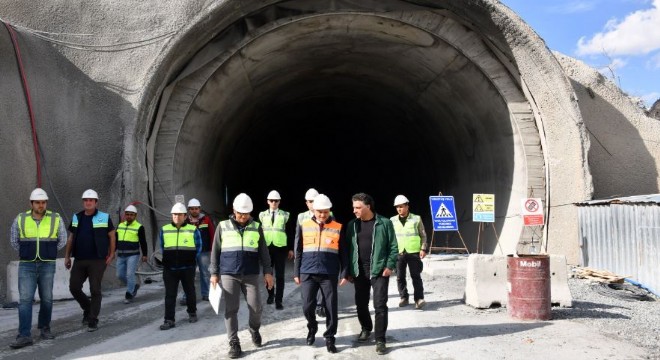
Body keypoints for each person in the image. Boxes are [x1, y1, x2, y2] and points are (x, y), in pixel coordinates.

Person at [210, 193, 274, 359]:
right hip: (229, 274)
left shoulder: (256, 226)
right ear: (234, 210)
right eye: (240, 213)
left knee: (256, 307)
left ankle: (254, 329)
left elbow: (264, 252)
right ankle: (234, 342)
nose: (243, 216)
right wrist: (214, 273)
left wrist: (268, 272)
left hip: (250, 274)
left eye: (246, 213)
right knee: (231, 309)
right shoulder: (222, 226)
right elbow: (215, 251)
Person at [9, 188, 67, 349]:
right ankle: (24, 335)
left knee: (47, 298)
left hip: (47, 264)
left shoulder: (55, 218)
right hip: (27, 264)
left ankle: (45, 328)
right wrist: (27, 252)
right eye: (37, 202)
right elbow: (14, 240)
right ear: (31, 203)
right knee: (25, 300)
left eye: (43, 202)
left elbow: (61, 239)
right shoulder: (20, 218)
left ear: (46, 203)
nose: (41, 205)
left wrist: (49, 251)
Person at [293, 194, 349, 354]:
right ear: (314, 211)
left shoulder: (338, 227)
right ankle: (312, 328)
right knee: (307, 306)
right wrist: (296, 271)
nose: (322, 215)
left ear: (329, 210)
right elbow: (298, 250)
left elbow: (343, 252)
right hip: (307, 271)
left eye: (325, 212)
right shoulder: (303, 225)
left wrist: (344, 272)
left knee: (331, 307)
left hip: (328, 272)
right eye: (319, 212)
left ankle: (330, 337)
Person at [346, 193, 398, 355]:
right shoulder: (352, 225)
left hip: (379, 270)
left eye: (358, 207)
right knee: (361, 304)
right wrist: (348, 270)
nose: (354, 210)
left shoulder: (384, 223)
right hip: (359, 270)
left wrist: (389, 266)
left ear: (368, 206)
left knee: (380, 305)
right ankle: (366, 328)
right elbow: (347, 249)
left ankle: (380, 339)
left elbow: (393, 246)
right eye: (354, 207)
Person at [64, 189, 116, 332]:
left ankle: (93, 319)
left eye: (91, 200)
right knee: (74, 287)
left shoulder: (104, 217)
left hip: (97, 260)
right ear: (83, 202)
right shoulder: (77, 217)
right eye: (86, 200)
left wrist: (111, 254)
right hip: (80, 259)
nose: (88, 202)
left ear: (96, 202)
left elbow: (112, 236)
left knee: (95, 289)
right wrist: (67, 256)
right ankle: (88, 308)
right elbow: (71, 238)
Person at [159, 202, 202, 330]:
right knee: (170, 294)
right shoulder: (164, 229)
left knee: (190, 291)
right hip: (170, 268)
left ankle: (192, 312)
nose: (176, 216)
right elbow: (162, 246)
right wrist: (169, 259)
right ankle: (169, 319)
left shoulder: (193, 229)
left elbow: (199, 247)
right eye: (174, 214)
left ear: (185, 216)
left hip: (187, 268)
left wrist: (190, 260)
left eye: (179, 214)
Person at [392, 195, 429, 309]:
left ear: (407, 206)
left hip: (413, 252)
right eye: (397, 207)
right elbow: (390, 238)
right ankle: (404, 297)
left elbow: (423, 235)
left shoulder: (416, 219)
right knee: (400, 277)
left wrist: (423, 249)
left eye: (401, 206)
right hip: (399, 252)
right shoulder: (392, 220)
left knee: (415, 276)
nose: (399, 209)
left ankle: (419, 299)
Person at [295, 188, 326, 318]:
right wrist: (297, 261)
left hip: (323, 256)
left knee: (324, 283)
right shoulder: (301, 217)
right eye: (309, 201)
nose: (312, 204)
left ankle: (320, 305)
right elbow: (298, 240)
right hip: (308, 257)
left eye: (314, 201)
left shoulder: (328, 214)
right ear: (306, 202)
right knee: (309, 287)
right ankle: (312, 306)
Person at [258, 190, 292, 310]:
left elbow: (290, 232)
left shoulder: (285, 215)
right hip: (266, 248)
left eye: (276, 201)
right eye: (271, 200)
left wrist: (290, 248)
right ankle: (270, 295)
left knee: (280, 275)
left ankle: (279, 300)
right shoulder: (262, 215)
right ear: (268, 201)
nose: (274, 203)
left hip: (280, 248)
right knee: (268, 273)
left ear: (279, 202)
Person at [179, 198, 215, 305]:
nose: (194, 211)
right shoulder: (185, 221)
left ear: (199, 209)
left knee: (205, 273)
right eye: (192, 209)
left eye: (196, 209)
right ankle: (186, 296)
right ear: (189, 210)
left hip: (204, 251)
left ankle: (206, 293)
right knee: (188, 275)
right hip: (190, 251)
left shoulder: (206, 219)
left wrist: (213, 249)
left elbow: (212, 234)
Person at [115, 204, 148, 304]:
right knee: (120, 275)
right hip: (121, 255)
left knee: (130, 274)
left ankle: (129, 294)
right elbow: (116, 241)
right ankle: (133, 286)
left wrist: (145, 254)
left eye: (131, 215)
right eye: (127, 214)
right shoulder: (120, 226)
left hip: (133, 255)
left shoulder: (139, 227)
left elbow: (143, 242)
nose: (129, 216)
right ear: (125, 215)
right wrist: (111, 252)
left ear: (135, 216)